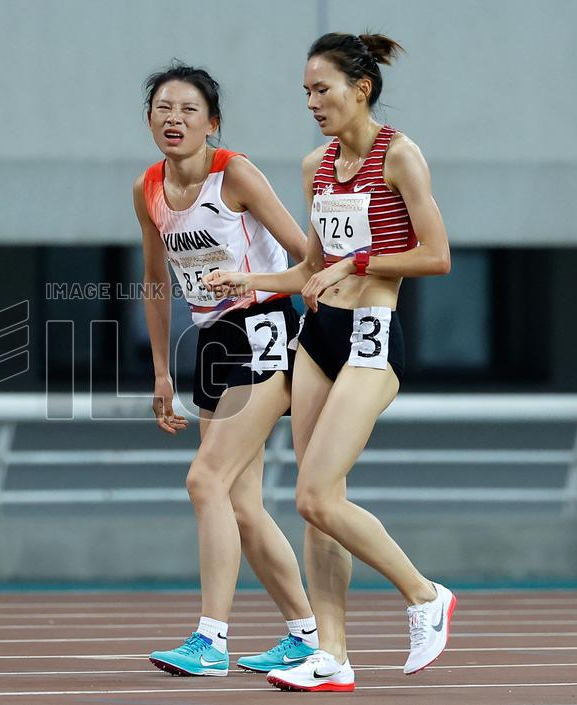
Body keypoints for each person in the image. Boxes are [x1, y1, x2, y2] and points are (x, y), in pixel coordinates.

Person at [205, 33, 455, 692]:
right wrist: (251, 280)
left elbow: (437, 255)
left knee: (315, 491)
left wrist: (357, 262)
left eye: (323, 90)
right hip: (318, 336)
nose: (313, 103)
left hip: (373, 336)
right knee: (317, 505)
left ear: (361, 88)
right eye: (306, 93)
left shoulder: (400, 156)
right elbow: (313, 268)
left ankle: (426, 594)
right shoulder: (316, 165)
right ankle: (335, 654)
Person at [134, 62, 319, 678]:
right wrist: (161, 372)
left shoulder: (234, 173)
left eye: (188, 110)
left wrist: (254, 282)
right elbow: (157, 283)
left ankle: (210, 638)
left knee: (203, 481)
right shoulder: (149, 190)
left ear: (212, 123)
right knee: (241, 505)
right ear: (149, 120)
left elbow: (306, 256)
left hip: (264, 328)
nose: (174, 119)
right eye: (163, 108)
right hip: (212, 340)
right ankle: (304, 635)